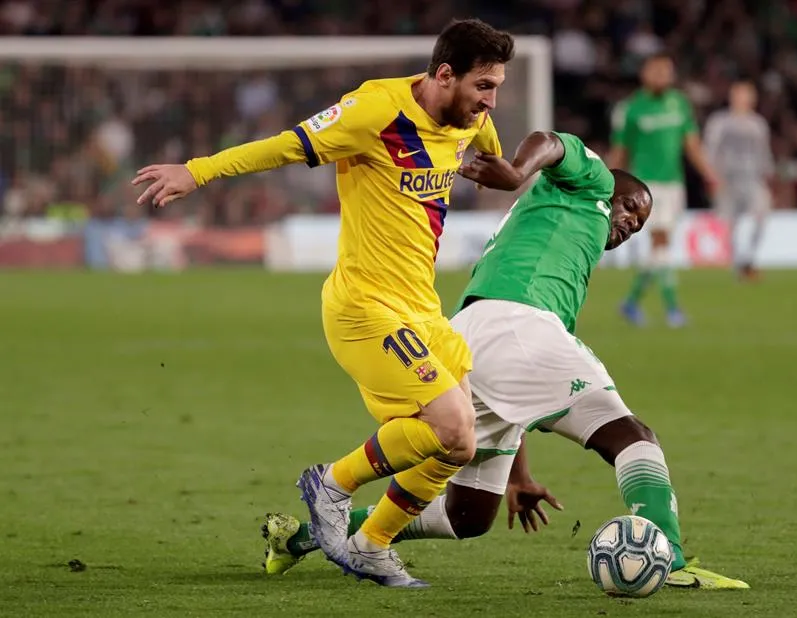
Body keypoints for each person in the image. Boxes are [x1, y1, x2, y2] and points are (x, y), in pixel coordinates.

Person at [260, 130, 748, 590]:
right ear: (610, 190)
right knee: (633, 438)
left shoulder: (557, 246)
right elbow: (550, 143)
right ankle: (674, 563)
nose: (629, 225)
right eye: (629, 209)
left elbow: (517, 390)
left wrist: (521, 476)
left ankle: (304, 535)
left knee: (467, 515)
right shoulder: (591, 180)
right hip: (515, 325)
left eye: (639, 226)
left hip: (477, 336)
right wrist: (517, 170)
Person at [131, 19, 515, 589]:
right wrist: (197, 171)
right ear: (444, 75)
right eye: (484, 86)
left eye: (497, 87)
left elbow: (489, 156)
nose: (491, 100)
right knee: (451, 423)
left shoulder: (470, 120)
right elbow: (285, 146)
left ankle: (372, 544)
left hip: (421, 310)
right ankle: (330, 484)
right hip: (365, 307)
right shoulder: (373, 111)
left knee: (458, 444)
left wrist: (502, 172)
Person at [609, 53, 719, 327]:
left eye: (666, 70)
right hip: (646, 188)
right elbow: (620, 152)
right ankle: (673, 309)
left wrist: (709, 174)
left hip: (674, 184)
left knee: (662, 245)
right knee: (660, 241)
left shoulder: (679, 104)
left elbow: (691, 144)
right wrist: (609, 184)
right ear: (644, 73)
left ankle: (631, 302)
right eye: (656, 70)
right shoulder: (631, 109)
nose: (661, 75)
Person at [704, 81, 774, 281]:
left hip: (752, 179)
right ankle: (740, 266)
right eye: (739, 94)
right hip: (727, 180)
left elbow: (764, 152)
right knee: (730, 225)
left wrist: (767, 175)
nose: (743, 99)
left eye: (747, 95)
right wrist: (712, 176)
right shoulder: (720, 122)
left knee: (762, 216)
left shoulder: (758, 124)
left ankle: (749, 259)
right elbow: (710, 149)